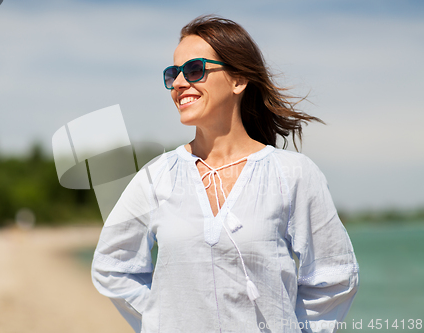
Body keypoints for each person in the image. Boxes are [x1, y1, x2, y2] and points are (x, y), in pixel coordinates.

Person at [91, 15, 359, 333]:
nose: (178, 83)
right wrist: (161, 321)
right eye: (172, 73)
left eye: (194, 70)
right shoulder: (156, 177)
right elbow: (112, 266)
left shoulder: (293, 175)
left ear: (238, 80)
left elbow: (336, 275)